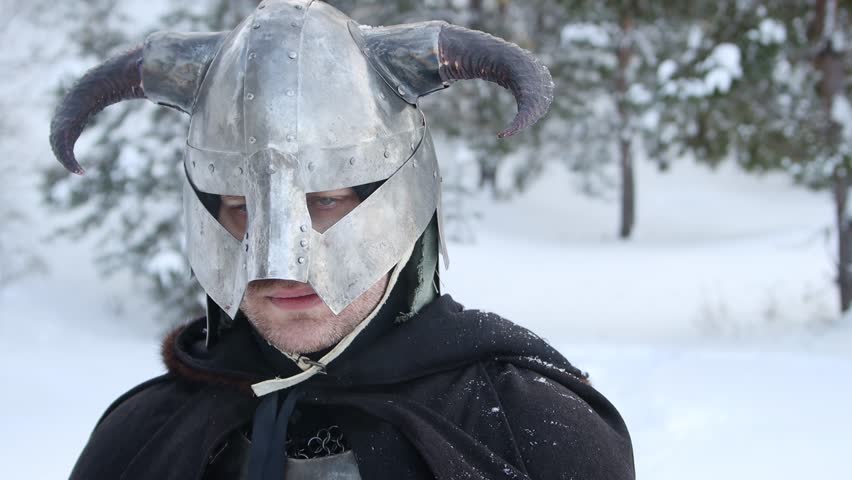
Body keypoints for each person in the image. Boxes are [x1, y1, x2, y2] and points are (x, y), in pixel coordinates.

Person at [51, 1, 635, 479]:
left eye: (325, 201)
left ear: (402, 196)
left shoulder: (526, 425)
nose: (276, 261)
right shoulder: (144, 433)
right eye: (239, 208)